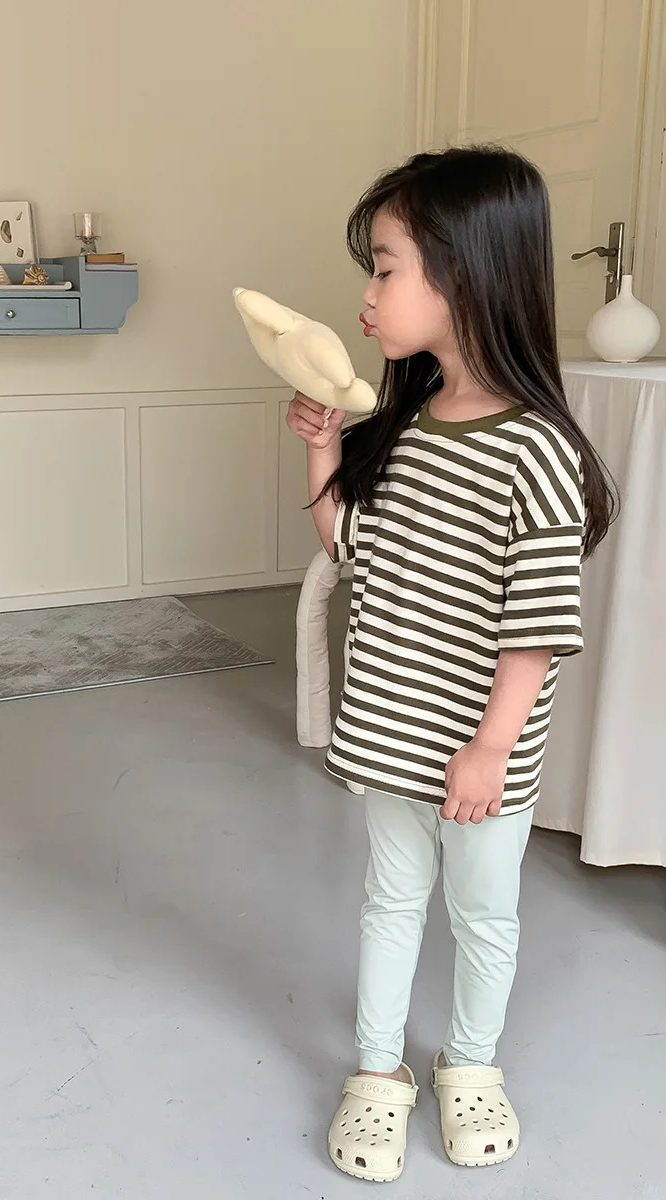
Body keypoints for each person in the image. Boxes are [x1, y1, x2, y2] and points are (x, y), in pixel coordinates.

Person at [286, 146, 616, 1182]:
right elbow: (358, 551)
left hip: (480, 751)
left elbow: (537, 624)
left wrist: (490, 749)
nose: (367, 295)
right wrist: (325, 453)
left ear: (464, 273)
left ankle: (469, 1062)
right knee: (390, 902)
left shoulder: (535, 450)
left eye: (385, 268)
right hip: (394, 731)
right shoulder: (408, 427)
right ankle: (377, 1069)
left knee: (482, 915)